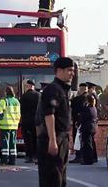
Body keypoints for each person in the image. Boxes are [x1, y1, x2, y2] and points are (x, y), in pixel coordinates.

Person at [36, 57, 75, 187]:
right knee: (52, 179)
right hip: (52, 138)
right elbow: (49, 115)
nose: (72, 73)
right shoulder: (53, 89)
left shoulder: (63, 89)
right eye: (69, 70)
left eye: (73, 70)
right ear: (59, 70)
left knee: (60, 177)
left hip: (61, 138)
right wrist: (53, 140)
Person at [0, 86, 21, 165]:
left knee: (4, 142)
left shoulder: (4, 101)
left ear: (6, 92)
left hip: (5, 125)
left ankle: (4, 159)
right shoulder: (16, 101)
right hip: (14, 125)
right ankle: (12, 160)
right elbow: (19, 114)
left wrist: (1, 115)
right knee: (12, 142)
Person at [20, 79, 41, 163]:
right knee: (36, 139)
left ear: (27, 86)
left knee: (28, 140)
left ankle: (29, 156)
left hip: (27, 121)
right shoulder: (39, 95)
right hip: (37, 121)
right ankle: (37, 156)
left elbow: (21, 110)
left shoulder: (24, 96)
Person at [69, 83, 88, 164]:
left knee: (78, 139)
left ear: (81, 89)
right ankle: (82, 156)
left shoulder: (82, 98)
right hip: (84, 121)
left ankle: (79, 156)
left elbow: (73, 103)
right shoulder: (90, 97)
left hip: (79, 121)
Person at [78, 94, 98, 165]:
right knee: (91, 143)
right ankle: (93, 158)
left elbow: (82, 118)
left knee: (87, 144)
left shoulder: (86, 108)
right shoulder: (94, 108)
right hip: (92, 127)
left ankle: (88, 160)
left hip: (86, 128)